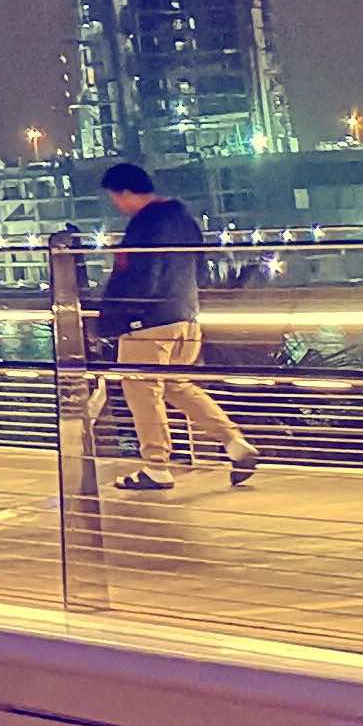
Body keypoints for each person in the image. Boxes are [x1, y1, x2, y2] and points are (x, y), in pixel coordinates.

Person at [94, 163, 260, 493]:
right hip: (186, 317)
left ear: (125, 193)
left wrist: (114, 319)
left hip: (149, 323)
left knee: (140, 389)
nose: (117, 205)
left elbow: (138, 275)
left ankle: (156, 466)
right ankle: (234, 442)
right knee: (176, 385)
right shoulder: (184, 220)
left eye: (116, 198)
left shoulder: (145, 224)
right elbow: (199, 269)